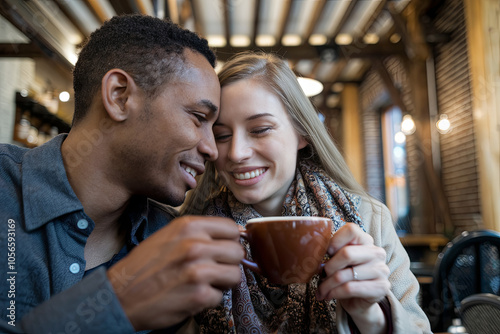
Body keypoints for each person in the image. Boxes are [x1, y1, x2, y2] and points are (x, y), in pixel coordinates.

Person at [0, 15, 245, 333]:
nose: (213, 150)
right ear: (119, 96)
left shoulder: (171, 246)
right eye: (198, 117)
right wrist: (114, 303)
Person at [181, 52, 432, 333]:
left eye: (260, 129)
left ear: (302, 132)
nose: (237, 153)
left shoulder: (368, 219)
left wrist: (371, 314)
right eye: (222, 135)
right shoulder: (192, 232)